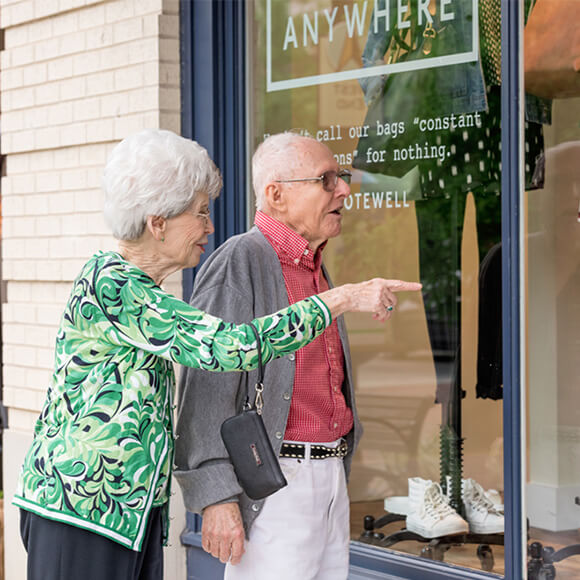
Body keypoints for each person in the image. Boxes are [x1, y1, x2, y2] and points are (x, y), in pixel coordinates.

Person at [12, 128, 420, 580]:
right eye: (200, 213)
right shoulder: (112, 284)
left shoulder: (145, 292)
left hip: (125, 509)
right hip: (82, 507)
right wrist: (340, 300)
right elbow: (227, 348)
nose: (210, 226)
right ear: (158, 222)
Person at [174, 131, 421, 580]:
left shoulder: (312, 263)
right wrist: (215, 496)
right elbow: (206, 381)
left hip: (327, 477)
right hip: (275, 483)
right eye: (327, 180)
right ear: (277, 195)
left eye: (341, 178)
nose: (344, 190)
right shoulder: (241, 259)